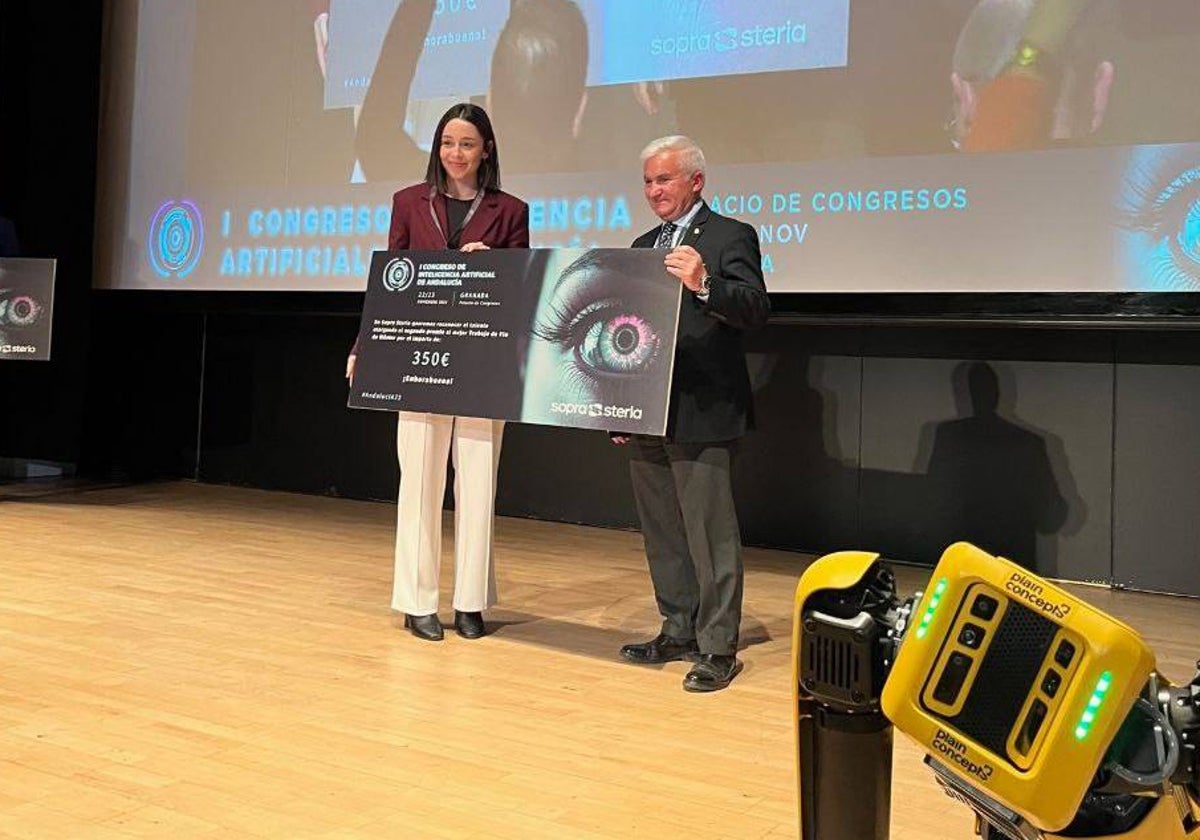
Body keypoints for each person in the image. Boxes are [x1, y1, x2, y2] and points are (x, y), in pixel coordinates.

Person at [347, 103, 530, 641]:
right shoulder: (408, 202)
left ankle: (471, 602)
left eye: (467, 143)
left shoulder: (510, 210)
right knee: (421, 480)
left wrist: (491, 263)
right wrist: (364, 345)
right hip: (417, 358)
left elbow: (521, 287)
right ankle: (417, 600)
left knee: (478, 480)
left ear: (486, 150)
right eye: (448, 142)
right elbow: (391, 280)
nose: (456, 153)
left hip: (481, 361)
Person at [615, 135, 770, 692]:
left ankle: (717, 647)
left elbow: (755, 308)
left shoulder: (731, 236)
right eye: (649, 182)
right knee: (662, 529)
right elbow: (625, 331)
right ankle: (677, 627)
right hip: (648, 411)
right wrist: (621, 405)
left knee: (710, 533)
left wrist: (705, 284)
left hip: (704, 407)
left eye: (665, 180)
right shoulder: (641, 244)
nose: (655, 191)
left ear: (696, 182)